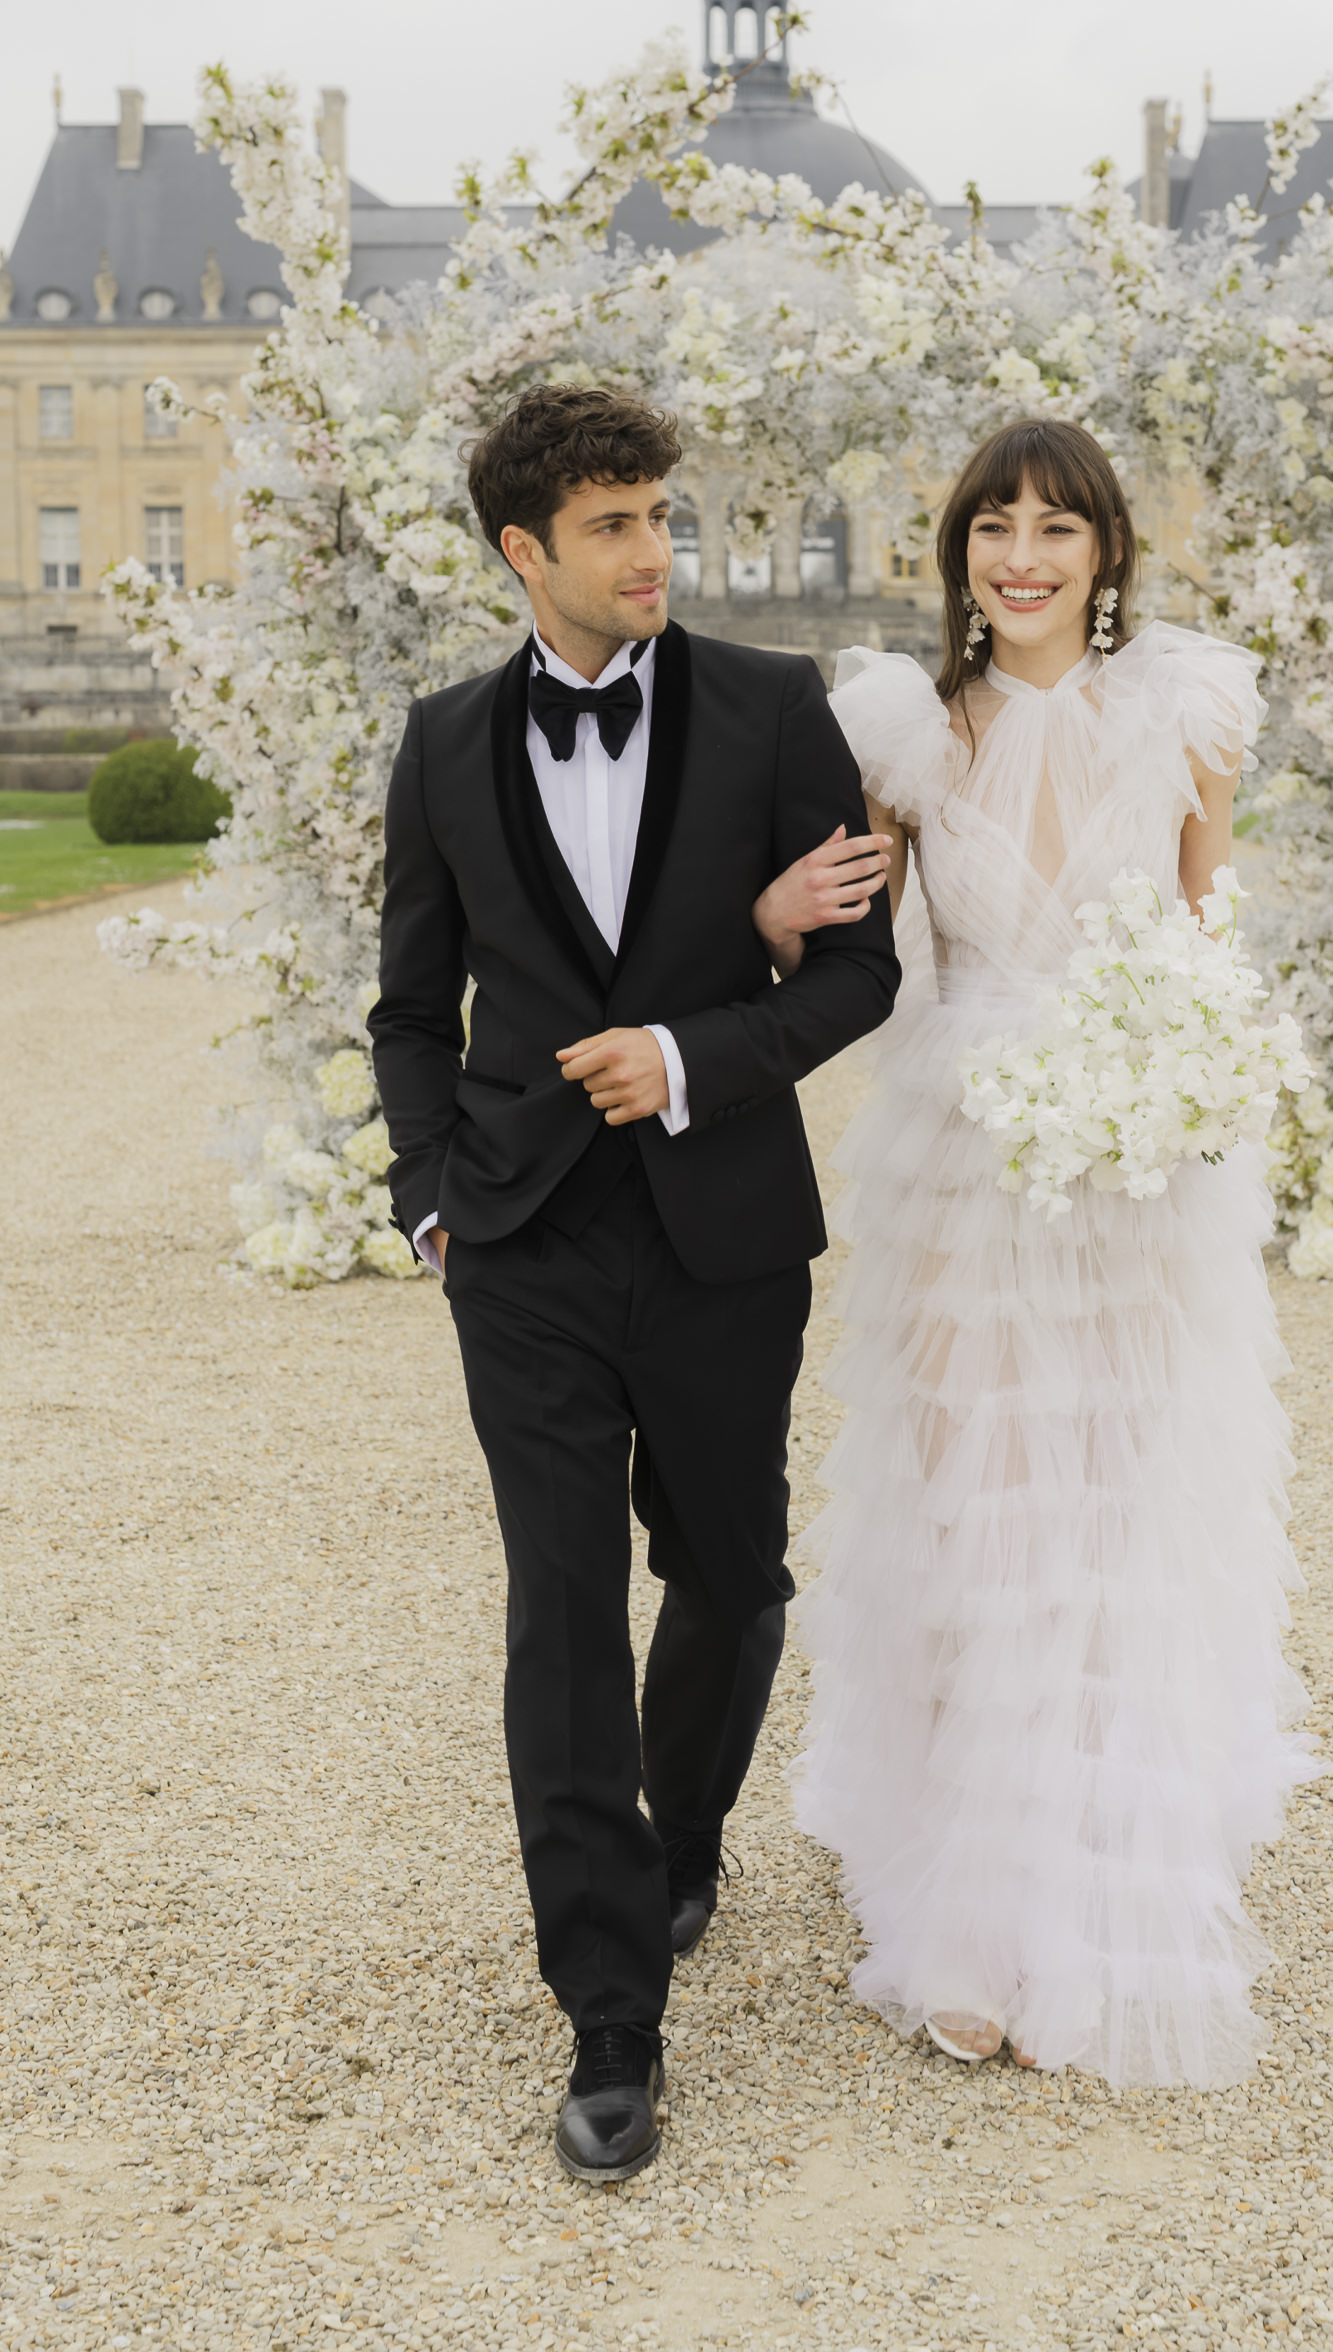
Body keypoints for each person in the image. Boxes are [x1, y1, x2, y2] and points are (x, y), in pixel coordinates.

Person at [368, 384, 898, 2181]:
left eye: (659, 515)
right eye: (610, 523)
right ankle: (609, 2017)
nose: (651, 550)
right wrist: (428, 1195)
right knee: (563, 1605)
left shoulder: (772, 710)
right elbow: (406, 1005)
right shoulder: (440, 741)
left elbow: (856, 979)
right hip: (516, 1243)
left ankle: (686, 1842)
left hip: (723, 1232)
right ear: (526, 551)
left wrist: (685, 1057)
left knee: (733, 1573)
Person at [757, 418, 1324, 2087]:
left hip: (1143, 1162)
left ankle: (1101, 1868)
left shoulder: (1192, 708)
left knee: (1116, 1507)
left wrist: (1201, 1071)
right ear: (956, 556)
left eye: (1053, 529)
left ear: (1103, 551)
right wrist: (777, 917)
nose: (1021, 556)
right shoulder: (906, 729)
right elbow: (850, 935)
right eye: (991, 527)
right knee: (976, 1510)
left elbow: (1210, 921)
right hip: (964, 1150)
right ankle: (969, 1914)